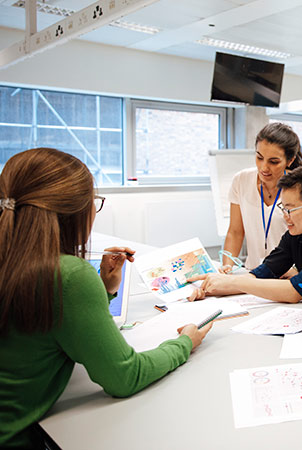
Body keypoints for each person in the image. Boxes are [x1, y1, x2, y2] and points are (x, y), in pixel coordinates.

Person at [0, 148, 212, 449]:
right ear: (75, 211)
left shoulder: (14, 259)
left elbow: (44, 322)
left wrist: (104, 287)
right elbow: (124, 377)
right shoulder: (68, 275)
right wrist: (185, 343)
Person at [188, 164, 302, 303]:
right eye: (283, 208)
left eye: (290, 210)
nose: (285, 217)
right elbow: (262, 274)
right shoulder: (296, 234)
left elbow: (295, 291)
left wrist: (232, 282)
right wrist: (211, 286)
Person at [222, 122, 302, 272]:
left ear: (290, 160)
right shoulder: (241, 180)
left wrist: (297, 270)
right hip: (252, 273)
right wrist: (227, 266)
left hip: (287, 275)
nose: (264, 167)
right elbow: (235, 232)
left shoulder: (301, 188)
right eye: (259, 157)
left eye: (274, 162)